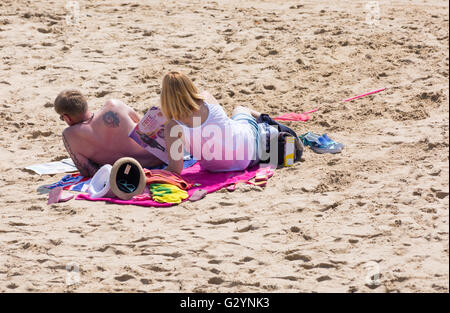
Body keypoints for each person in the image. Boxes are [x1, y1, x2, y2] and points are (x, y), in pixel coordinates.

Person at [161, 71, 260, 174]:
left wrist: (154, 173)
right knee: (239, 109)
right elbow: (224, 123)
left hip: (216, 169)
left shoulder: (172, 127)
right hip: (249, 152)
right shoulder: (206, 98)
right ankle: (267, 118)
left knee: (238, 113)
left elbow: (175, 169)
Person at [54, 90, 163, 177]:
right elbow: (141, 125)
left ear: (67, 118)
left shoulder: (70, 135)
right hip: (159, 158)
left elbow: (87, 172)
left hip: (130, 171)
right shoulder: (113, 105)